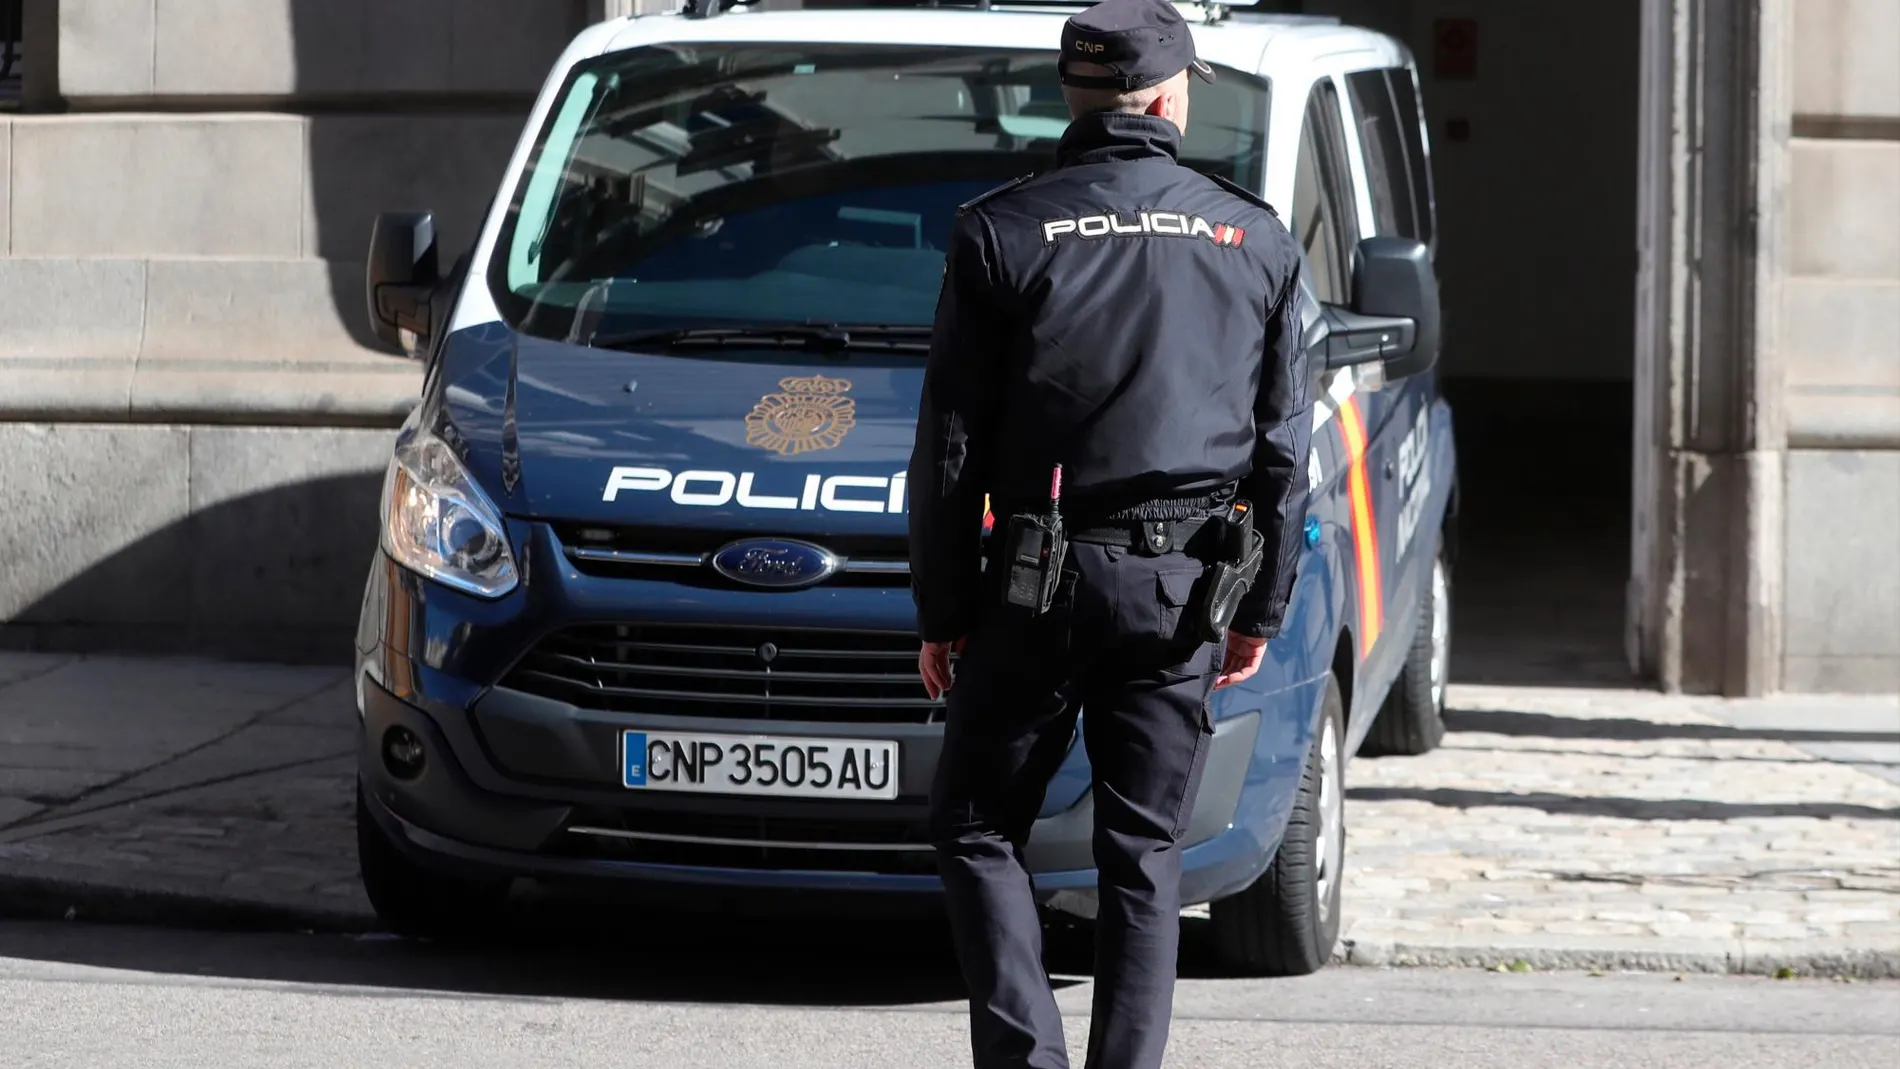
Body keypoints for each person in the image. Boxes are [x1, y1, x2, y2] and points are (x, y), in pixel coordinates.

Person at [905, 0, 1315, 1065]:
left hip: (1036, 579)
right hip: (1184, 584)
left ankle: (1024, 1056)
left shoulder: (1001, 227)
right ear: (1172, 101)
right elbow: (1283, 450)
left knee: (977, 826)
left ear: (1071, 97)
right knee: (1143, 853)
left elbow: (949, 447)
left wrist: (941, 610)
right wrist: (1257, 607)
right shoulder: (1252, 235)